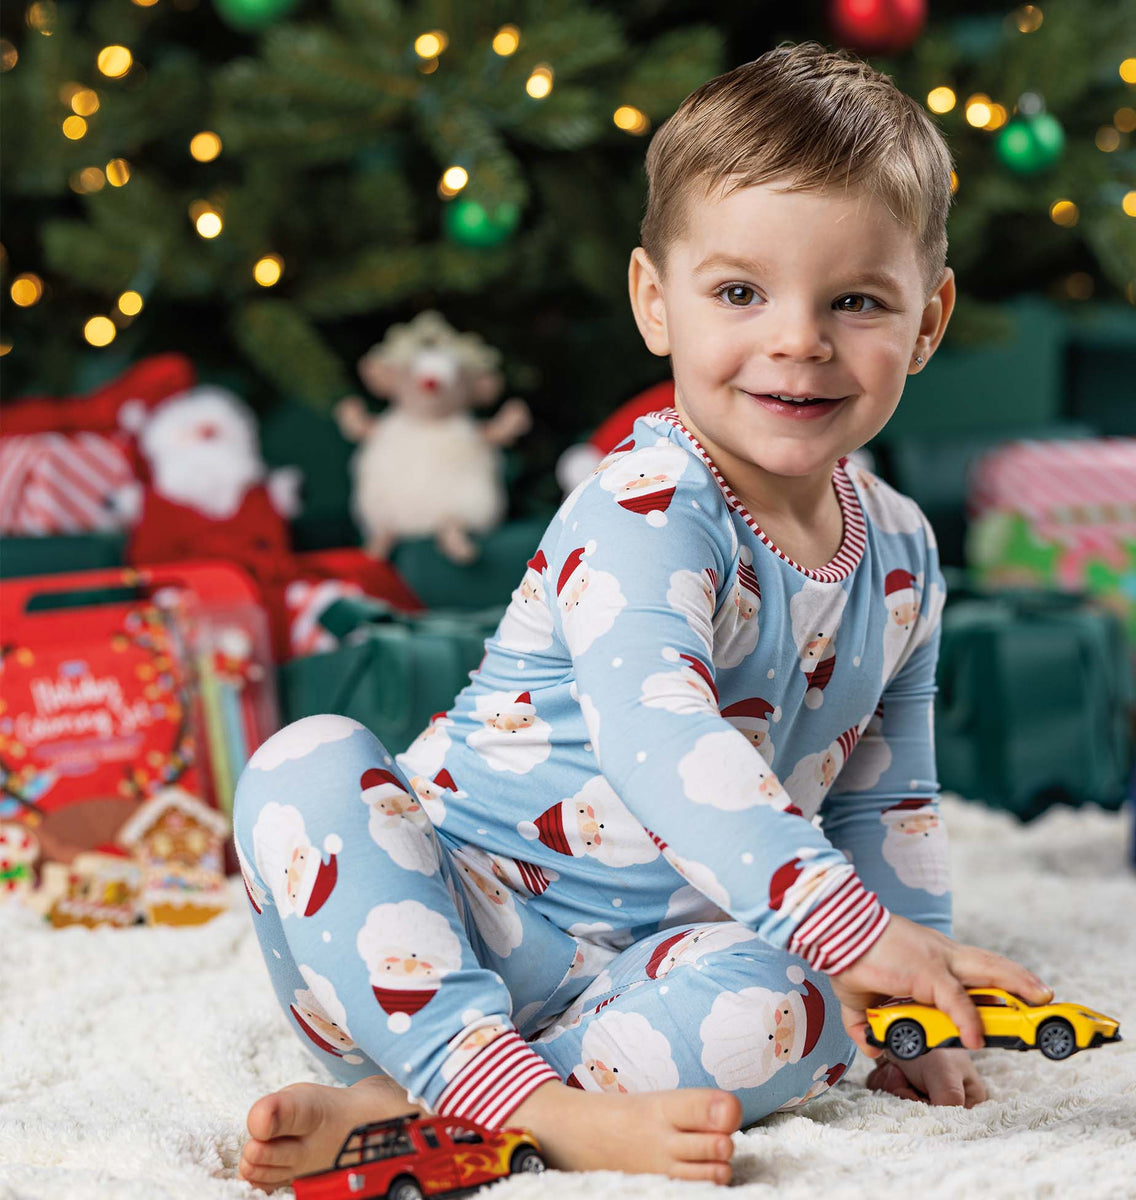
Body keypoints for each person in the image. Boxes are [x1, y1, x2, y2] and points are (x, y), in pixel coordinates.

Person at [233, 41, 1053, 1191]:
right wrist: (855, 932)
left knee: (810, 1005)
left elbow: (887, 798)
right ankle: (512, 1097)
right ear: (655, 302)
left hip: (652, 971)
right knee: (304, 764)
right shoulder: (647, 506)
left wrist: (911, 997)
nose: (799, 340)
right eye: (740, 293)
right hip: (433, 927)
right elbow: (661, 736)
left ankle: (426, 1113)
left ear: (929, 320)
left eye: (858, 301)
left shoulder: (903, 552)